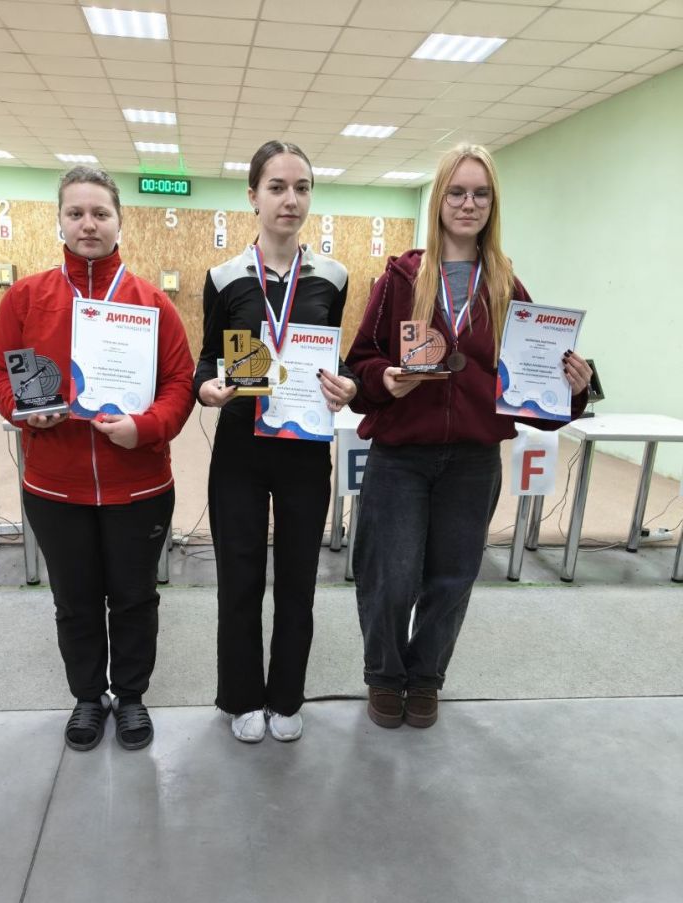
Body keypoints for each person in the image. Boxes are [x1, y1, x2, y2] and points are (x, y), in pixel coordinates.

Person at [346, 143, 591, 730]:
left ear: (492, 204)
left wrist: (574, 388)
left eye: (480, 194)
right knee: (390, 576)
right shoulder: (402, 277)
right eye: (456, 192)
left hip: (474, 459)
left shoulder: (506, 286)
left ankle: (426, 677)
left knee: (452, 579)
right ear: (439, 199)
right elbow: (361, 364)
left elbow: (532, 389)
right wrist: (385, 380)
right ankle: (385, 676)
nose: (468, 203)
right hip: (401, 455)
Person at [0, 166, 194, 751]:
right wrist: (22, 411)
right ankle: (86, 697)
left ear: (119, 221)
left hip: (139, 485)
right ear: (60, 221)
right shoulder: (27, 298)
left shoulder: (151, 302)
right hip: (55, 486)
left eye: (100, 213)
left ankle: (130, 695)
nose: (88, 224)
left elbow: (179, 383)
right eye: (75, 213)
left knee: (134, 599)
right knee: (74, 602)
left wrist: (144, 428)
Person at [194, 140, 358, 743]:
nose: (291, 199)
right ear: (253, 197)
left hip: (304, 449)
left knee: (297, 579)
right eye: (277, 187)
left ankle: (286, 697)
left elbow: (336, 359)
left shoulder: (333, 277)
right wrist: (205, 389)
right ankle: (241, 697)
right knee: (239, 577)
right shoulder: (224, 277)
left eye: (302, 187)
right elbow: (207, 359)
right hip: (241, 444)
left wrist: (349, 385)